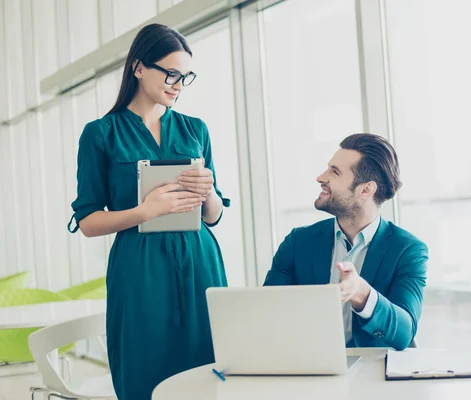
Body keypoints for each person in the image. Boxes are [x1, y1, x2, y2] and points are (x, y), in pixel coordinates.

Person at [67, 23, 230, 399]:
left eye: (184, 76)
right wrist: (145, 210)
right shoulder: (100, 134)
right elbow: (89, 221)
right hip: (139, 268)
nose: (178, 83)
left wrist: (207, 192)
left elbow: (213, 215)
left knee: (208, 366)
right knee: (144, 367)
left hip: (199, 260)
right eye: (170, 73)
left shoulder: (195, 129)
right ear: (139, 68)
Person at [264, 133, 427, 350]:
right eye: (328, 168)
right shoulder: (298, 242)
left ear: (366, 189)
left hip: (372, 375)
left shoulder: (407, 250)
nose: (321, 177)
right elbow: (267, 313)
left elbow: (404, 334)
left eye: (335, 172)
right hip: (308, 370)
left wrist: (361, 293)